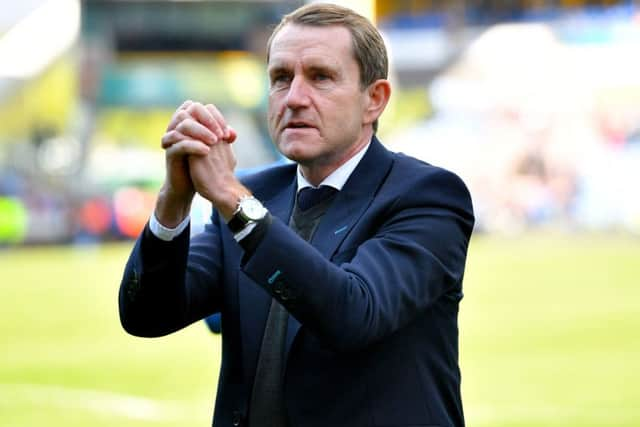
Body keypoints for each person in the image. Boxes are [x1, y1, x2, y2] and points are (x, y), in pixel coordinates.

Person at [119, 3, 474, 427]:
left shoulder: (426, 195)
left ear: (374, 100)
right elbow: (146, 315)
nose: (295, 98)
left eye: (320, 77)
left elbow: (353, 314)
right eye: (281, 78)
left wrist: (232, 197)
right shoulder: (258, 193)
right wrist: (173, 201)